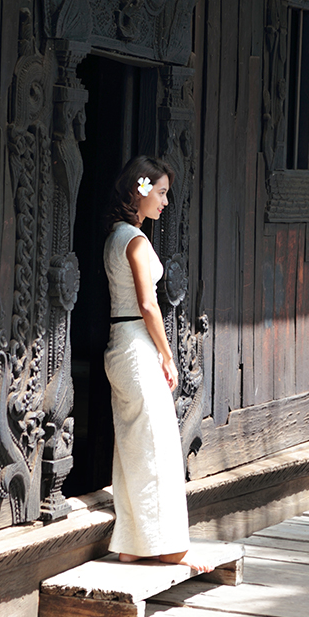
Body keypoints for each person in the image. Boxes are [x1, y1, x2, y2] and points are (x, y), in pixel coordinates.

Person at [103, 155, 210, 572]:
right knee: (158, 446)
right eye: (160, 192)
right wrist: (167, 354)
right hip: (136, 343)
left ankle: (132, 543)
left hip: (120, 343)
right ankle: (170, 547)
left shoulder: (116, 236)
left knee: (134, 445)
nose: (165, 201)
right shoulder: (136, 240)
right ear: (141, 191)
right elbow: (149, 305)